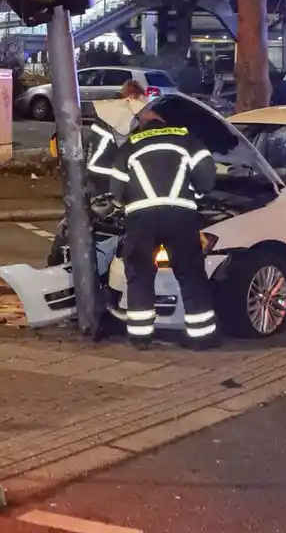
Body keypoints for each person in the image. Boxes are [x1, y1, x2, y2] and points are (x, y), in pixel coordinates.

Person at [86, 95, 219, 348]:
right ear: (164, 121)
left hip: (141, 221)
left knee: (139, 276)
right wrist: (197, 194)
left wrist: (126, 203)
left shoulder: (130, 146)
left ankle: (140, 337)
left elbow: (117, 191)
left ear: (144, 123)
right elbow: (207, 177)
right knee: (191, 274)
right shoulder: (188, 140)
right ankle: (202, 337)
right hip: (181, 218)